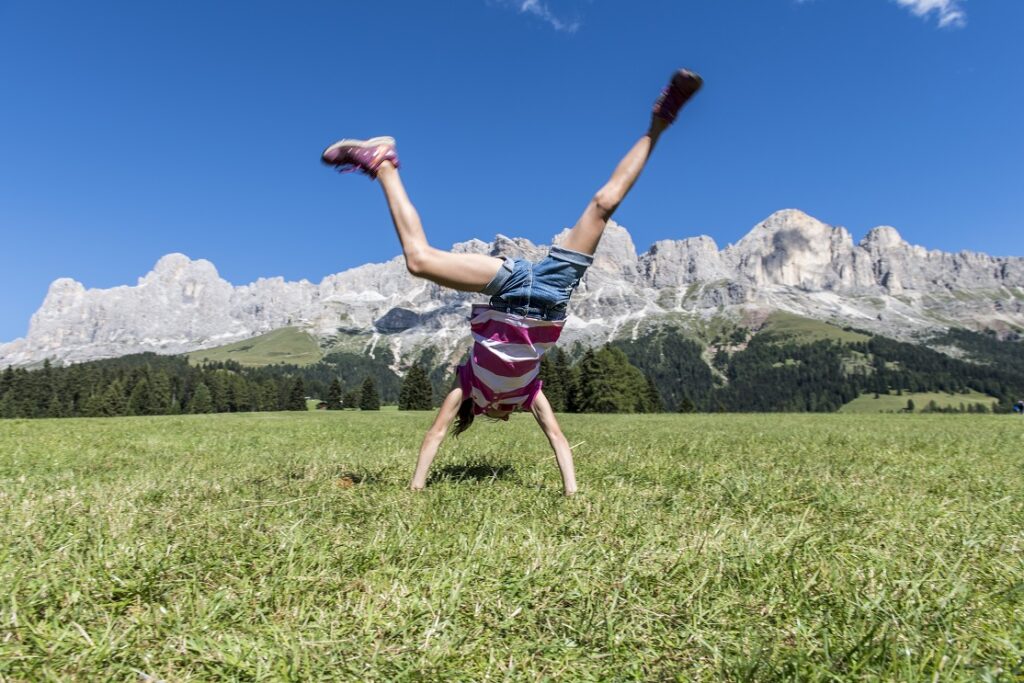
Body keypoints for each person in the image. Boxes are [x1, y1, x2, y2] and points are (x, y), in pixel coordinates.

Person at [321, 69, 703, 495]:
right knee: (603, 205)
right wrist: (573, 495)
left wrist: (416, 490)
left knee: (419, 261)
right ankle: (661, 120)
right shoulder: (530, 394)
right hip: (554, 293)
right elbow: (558, 439)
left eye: (495, 419)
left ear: (483, 413)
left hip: (509, 289)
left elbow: (435, 435)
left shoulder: (468, 389)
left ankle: (383, 164)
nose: (503, 419)